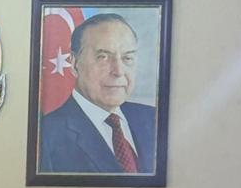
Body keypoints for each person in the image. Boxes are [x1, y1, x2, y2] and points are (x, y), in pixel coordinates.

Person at [39, 13, 157, 174]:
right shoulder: (45, 136)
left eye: (127, 58)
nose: (118, 71)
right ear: (74, 64)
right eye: (103, 57)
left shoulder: (153, 118)